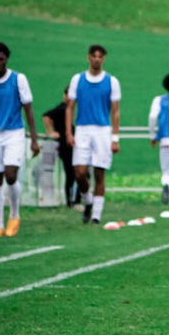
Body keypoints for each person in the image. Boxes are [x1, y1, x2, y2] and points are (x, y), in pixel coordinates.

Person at [0, 41, 39, 238]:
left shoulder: (18, 79)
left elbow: (29, 111)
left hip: (14, 133)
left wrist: (33, 139)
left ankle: (14, 216)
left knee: (10, 175)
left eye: (1, 59)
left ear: (7, 59)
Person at [66, 44, 122, 225]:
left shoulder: (111, 81)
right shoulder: (78, 79)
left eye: (100, 56)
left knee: (99, 173)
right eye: (93, 56)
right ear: (88, 57)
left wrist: (115, 138)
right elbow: (70, 107)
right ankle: (87, 201)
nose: (97, 59)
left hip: (102, 131)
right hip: (82, 129)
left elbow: (115, 112)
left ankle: (96, 215)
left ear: (104, 59)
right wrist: (69, 131)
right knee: (80, 172)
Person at [145, 72, 169, 206]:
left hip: (165, 139)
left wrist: (152, 135)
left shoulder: (159, 100)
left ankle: (165, 185)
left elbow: (153, 117)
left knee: (166, 170)